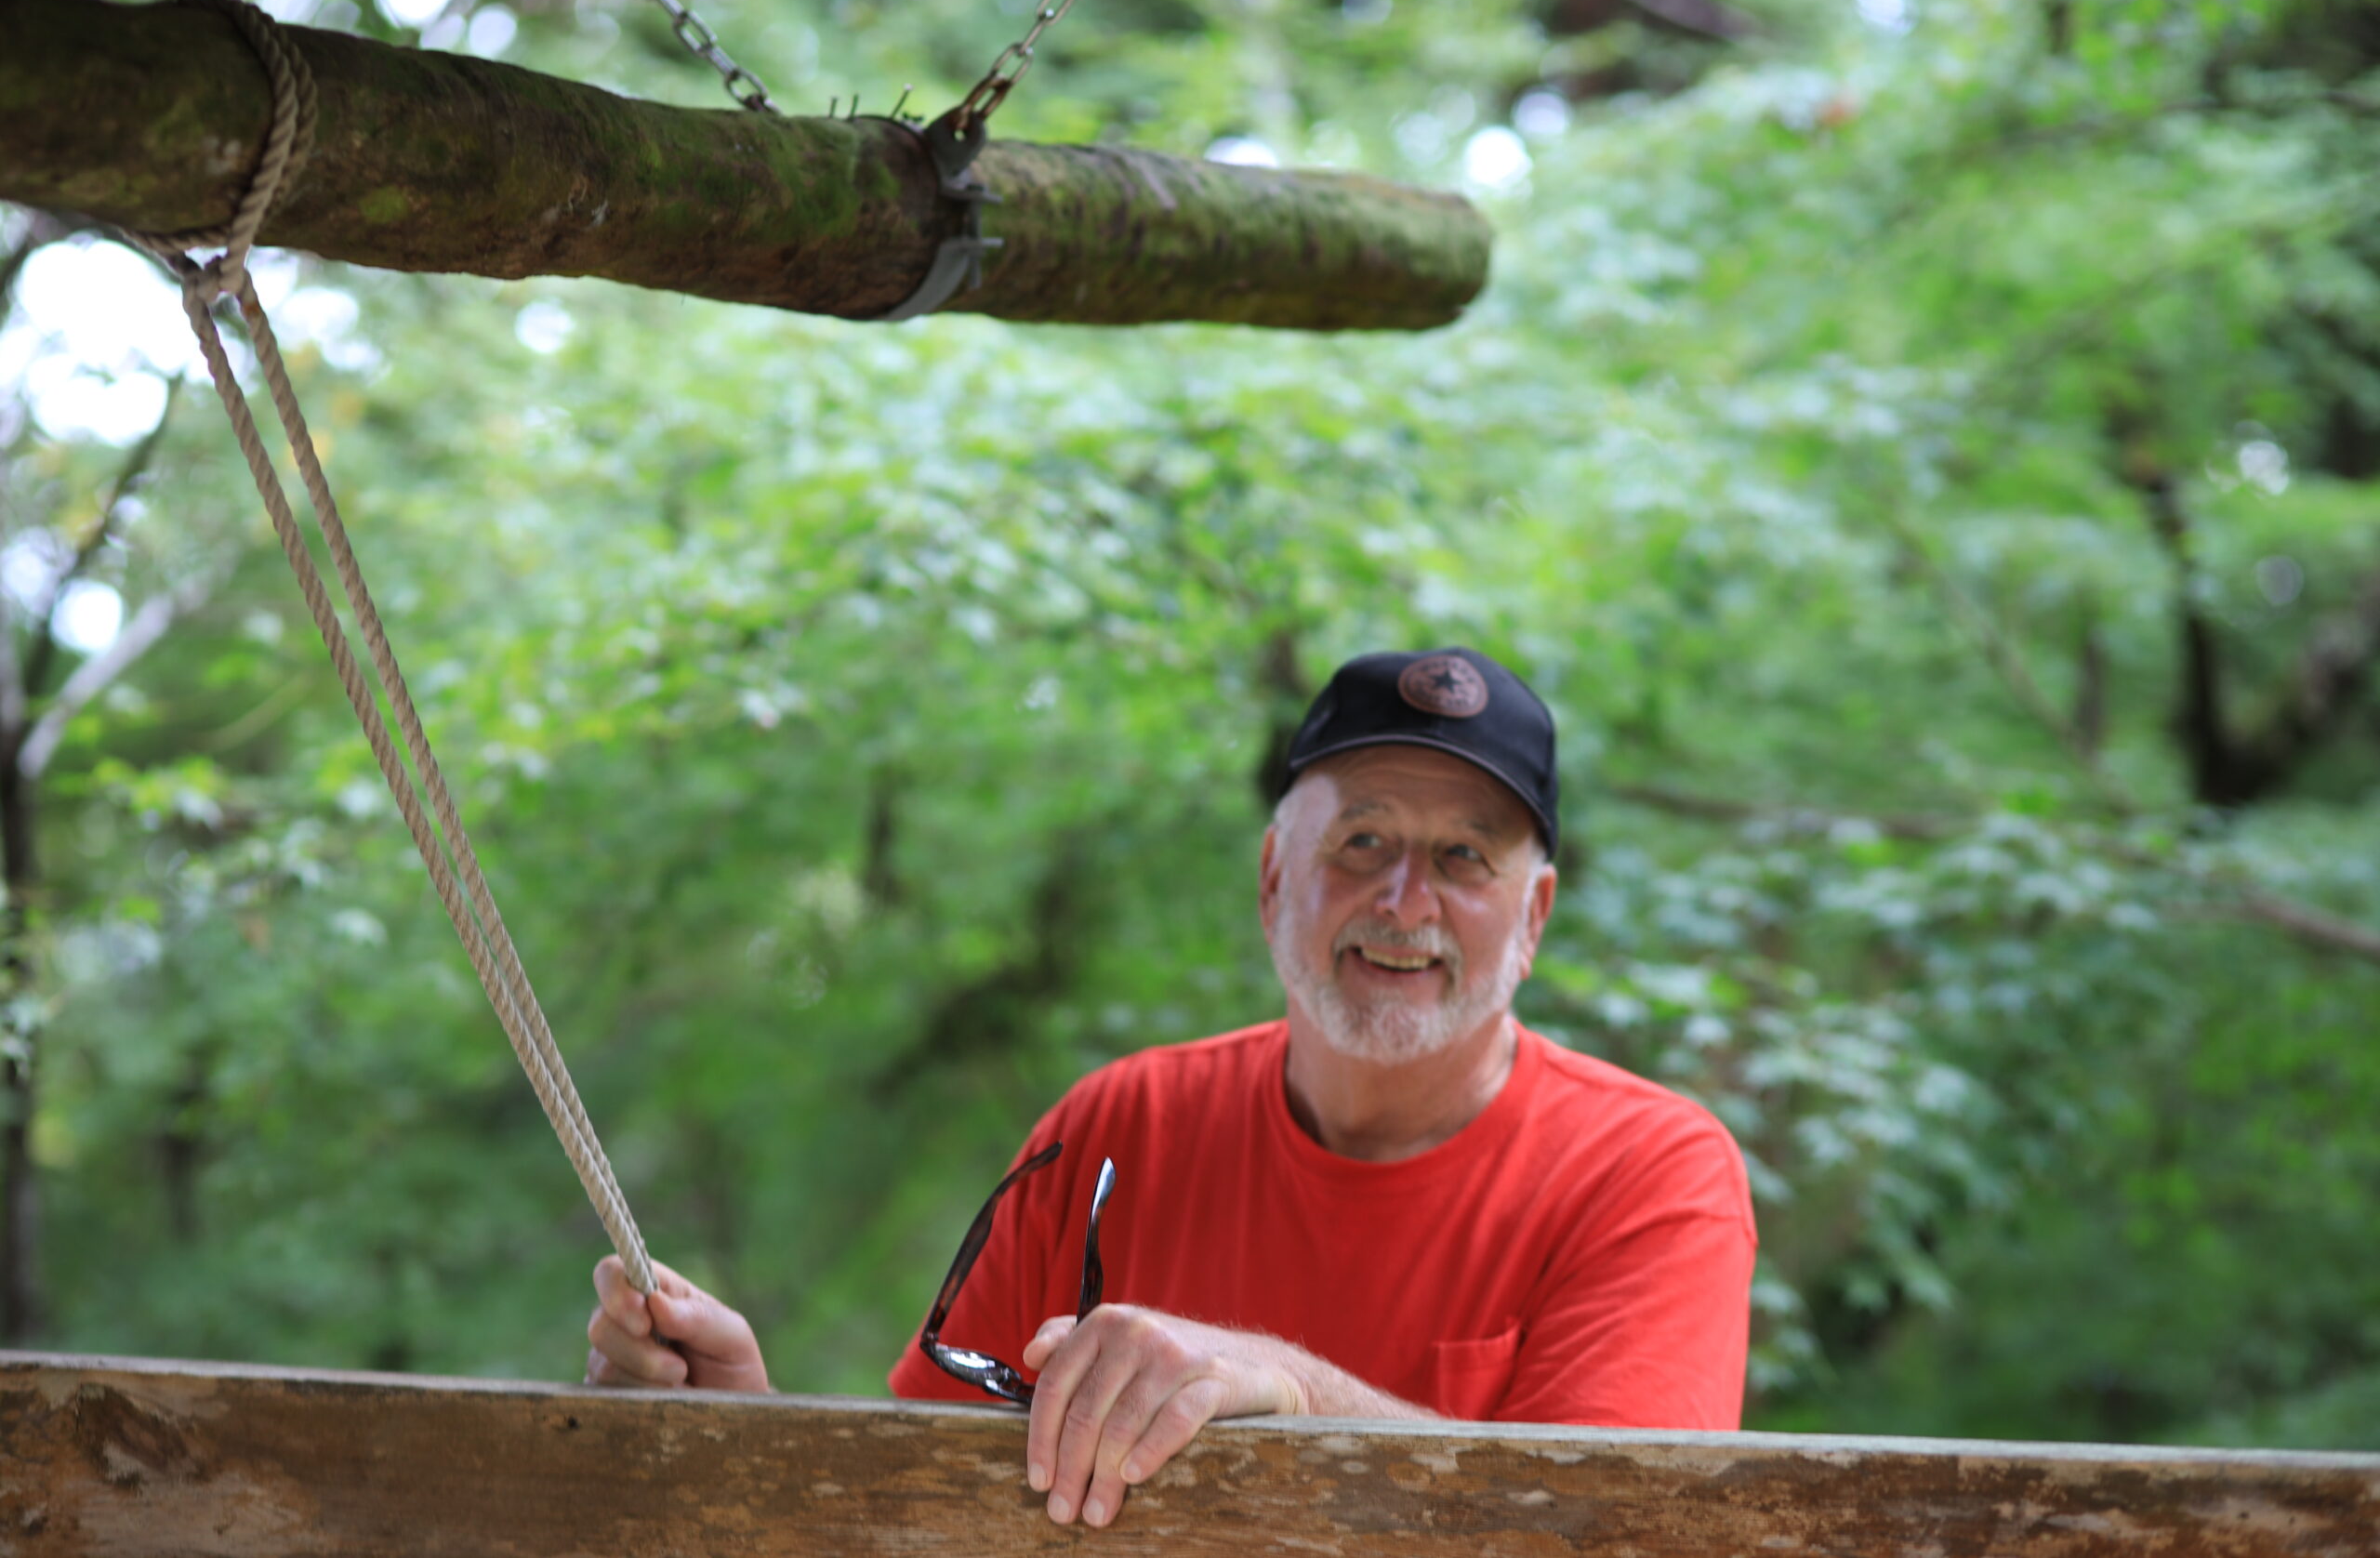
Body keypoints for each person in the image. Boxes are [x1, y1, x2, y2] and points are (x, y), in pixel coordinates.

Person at [585, 646, 1757, 1529]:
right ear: (1270, 879)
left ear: (1534, 917)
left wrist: (1292, 1388)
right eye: (1360, 843)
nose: (1406, 901)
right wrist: (735, 1426)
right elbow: (922, 1511)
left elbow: (1616, 1534)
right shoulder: (1115, 1128)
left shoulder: (1650, 1170)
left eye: (1465, 857)